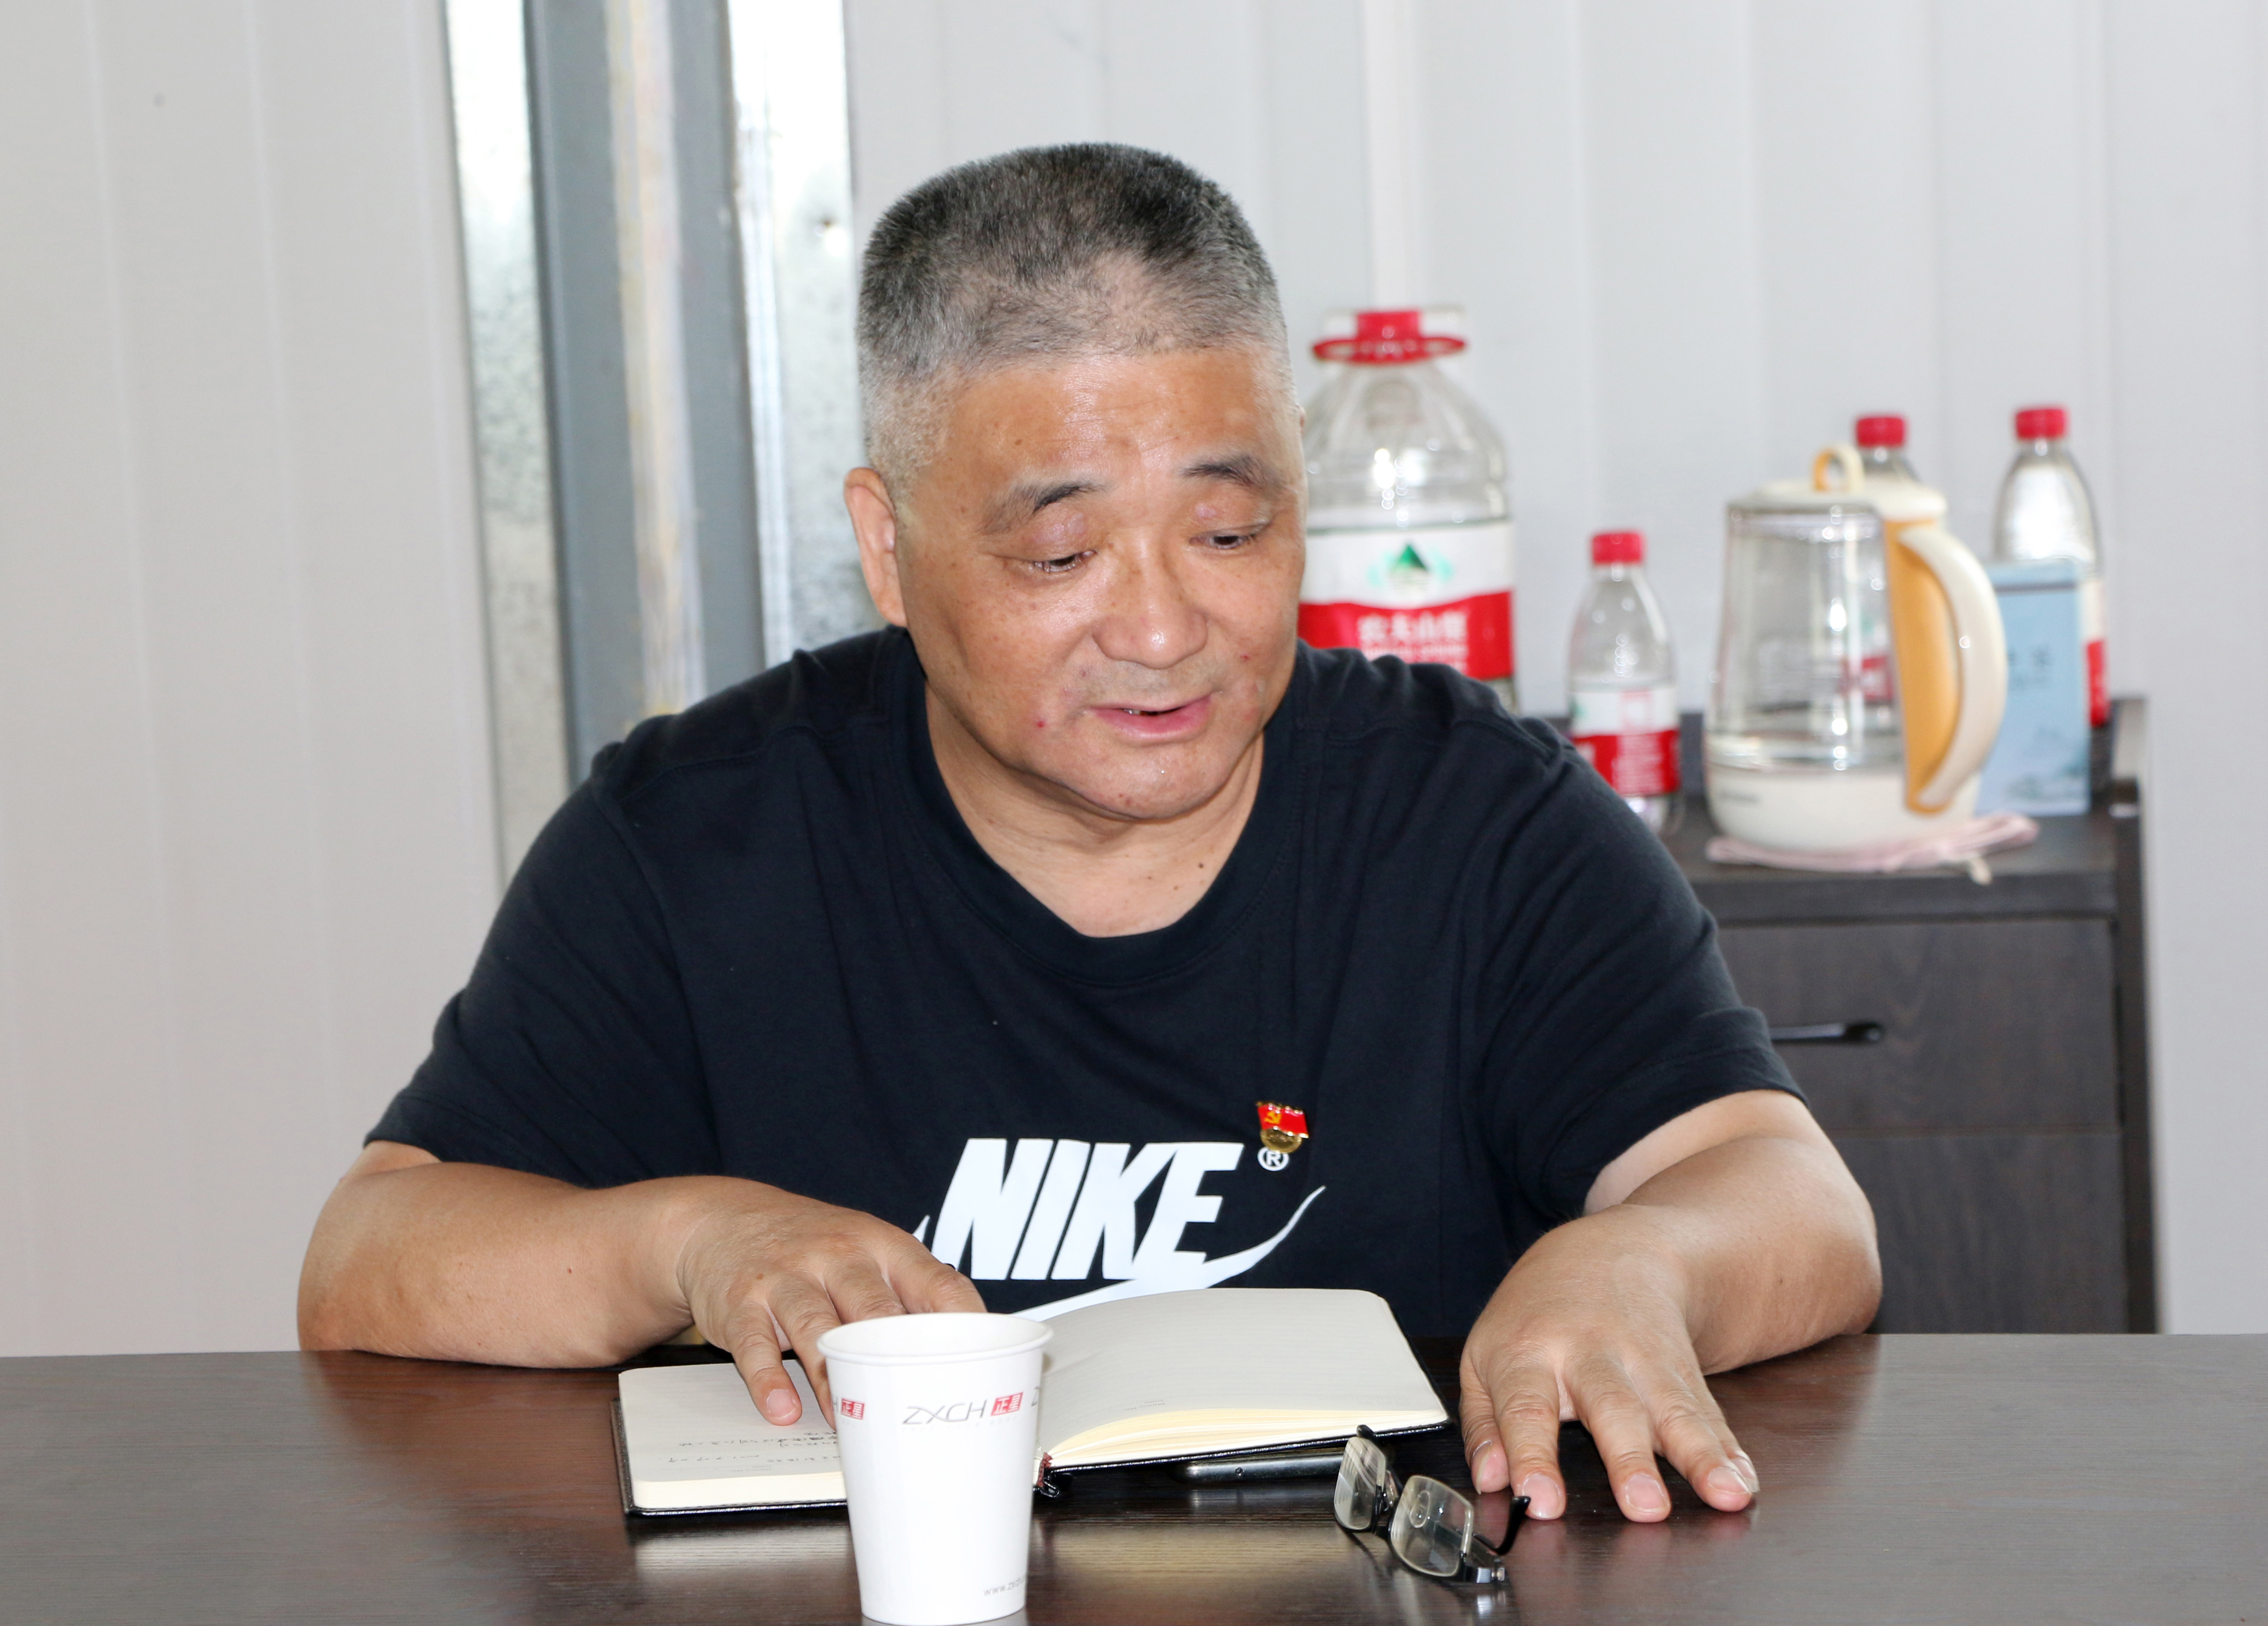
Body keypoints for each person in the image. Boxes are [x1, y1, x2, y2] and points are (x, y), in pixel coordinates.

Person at [299, 144, 1879, 1524]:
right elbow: (370, 1255)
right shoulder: (695, 835)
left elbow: (1792, 1197)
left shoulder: (1478, 818)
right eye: (1061, 555)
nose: (1163, 628)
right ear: (888, 546)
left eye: (1229, 529)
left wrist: (1641, 1261)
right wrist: (691, 1240)